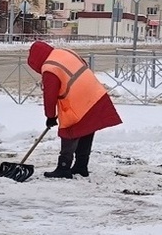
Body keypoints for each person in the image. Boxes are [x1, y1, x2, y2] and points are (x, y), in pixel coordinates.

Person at [27, 41, 122, 178]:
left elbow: (50, 95)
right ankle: (81, 166)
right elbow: (83, 65)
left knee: (70, 133)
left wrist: (50, 116)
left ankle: (63, 168)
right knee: (87, 129)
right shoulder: (64, 52)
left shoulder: (49, 68)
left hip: (77, 102)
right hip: (94, 93)